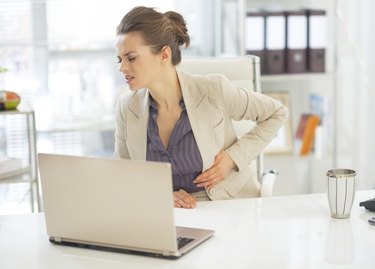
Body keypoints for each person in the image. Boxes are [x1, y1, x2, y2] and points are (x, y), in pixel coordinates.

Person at [114, 6, 288, 209]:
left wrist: (234, 157)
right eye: (119, 59)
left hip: (227, 206)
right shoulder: (127, 107)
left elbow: (277, 113)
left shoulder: (214, 90)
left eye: (131, 57)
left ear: (164, 55)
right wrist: (160, 196)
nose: (122, 67)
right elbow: (124, 173)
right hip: (167, 213)